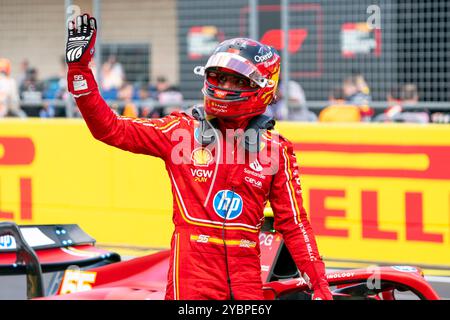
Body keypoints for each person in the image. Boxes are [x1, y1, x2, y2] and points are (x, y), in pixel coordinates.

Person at [66, 14, 332, 300]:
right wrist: (80, 72)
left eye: (235, 81)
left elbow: (294, 223)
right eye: (219, 77)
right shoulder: (179, 130)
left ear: (263, 86)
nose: (224, 87)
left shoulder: (277, 149)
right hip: (192, 277)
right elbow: (110, 128)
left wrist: (319, 283)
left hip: (247, 279)